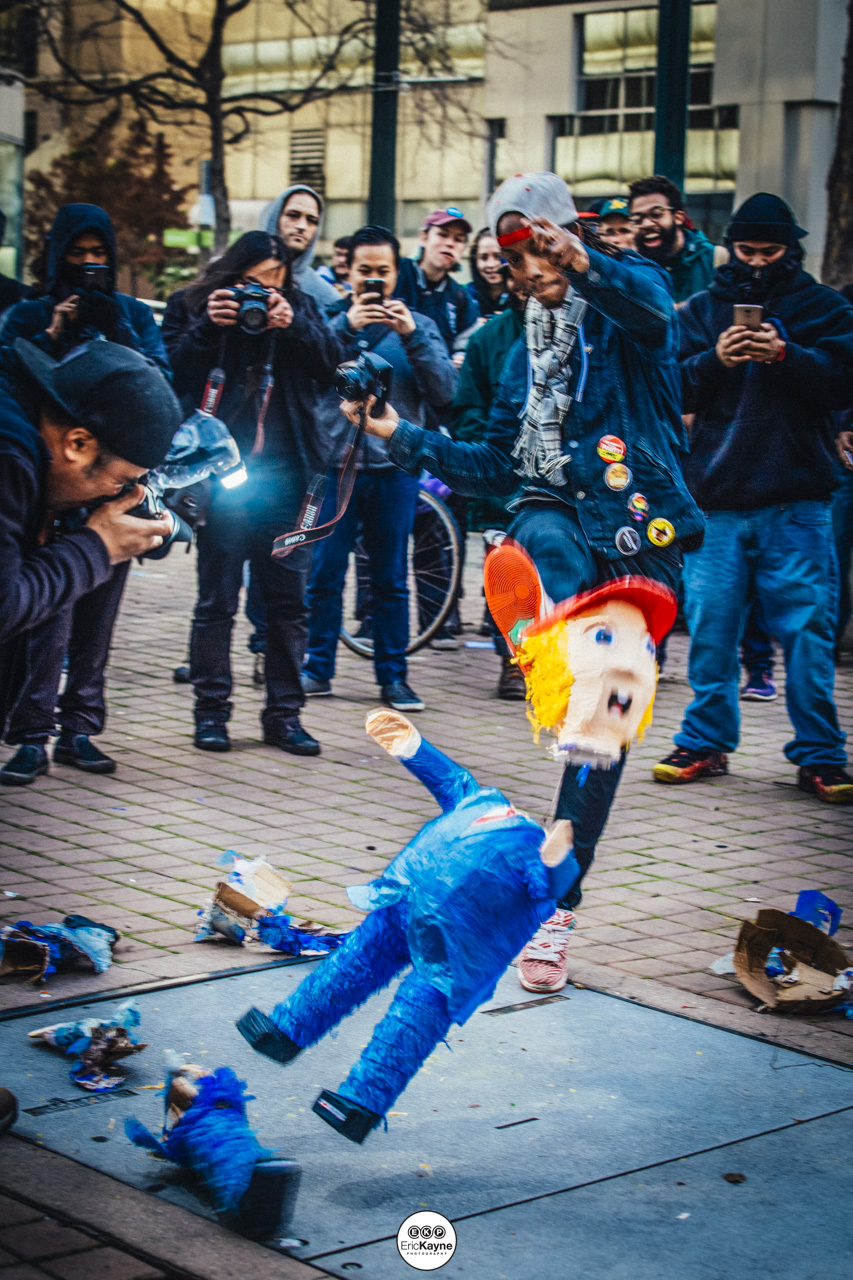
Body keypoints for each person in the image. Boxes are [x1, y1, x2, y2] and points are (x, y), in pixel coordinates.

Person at [337, 172, 703, 965]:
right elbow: (492, 465)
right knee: (539, 533)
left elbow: (653, 314)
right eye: (509, 256)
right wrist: (394, 431)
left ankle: (558, 903)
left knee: (600, 738)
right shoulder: (513, 346)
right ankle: (558, 629)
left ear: (560, 235)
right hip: (551, 520)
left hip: (638, 538)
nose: (524, 272)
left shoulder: (623, 303)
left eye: (532, 249)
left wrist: (579, 260)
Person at [654, 194, 853, 803]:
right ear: (729, 249)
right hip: (716, 500)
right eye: (747, 252)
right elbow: (671, 383)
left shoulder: (825, 308)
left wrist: (785, 354)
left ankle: (820, 755)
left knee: (807, 634)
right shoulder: (702, 311)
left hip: (798, 501)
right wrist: (716, 359)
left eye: (770, 253)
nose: (759, 264)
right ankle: (705, 742)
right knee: (711, 632)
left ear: (792, 250)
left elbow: (842, 379)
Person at [0, 204, 172, 784]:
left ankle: (79, 725)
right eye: (79, 254)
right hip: (53, 485)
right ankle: (31, 733)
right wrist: (52, 333)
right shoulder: (13, 456)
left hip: (80, 475)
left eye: (101, 255)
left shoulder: (127, 313)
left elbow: (155, 382)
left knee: (90, 612)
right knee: (45, 608)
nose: (91, 265)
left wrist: (114, 328)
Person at [162, 231, 341, 756]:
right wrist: (204, 327)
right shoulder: (194, 306)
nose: (259, 297)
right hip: (220, 482)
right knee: (217, 602)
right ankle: (210, 712)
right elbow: (168, 374)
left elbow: (335, 369)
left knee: (289, 605)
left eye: (272, 284)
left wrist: (295, 324)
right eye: (250, 284)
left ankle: (285, 717)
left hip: (287, 482)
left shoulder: (300, 310)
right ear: (231, 277)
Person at [301, 225, 457, 711]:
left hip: (394, 469)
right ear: (347, 270)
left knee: (390, 579)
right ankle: (315, 668)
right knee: (324, 573)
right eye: (364, 270)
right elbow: (307, 374)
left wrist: (411, 337)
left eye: (383, 272)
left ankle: (394, 678)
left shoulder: (420, 325)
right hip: (333, 468)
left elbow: (447, 392)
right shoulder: (326, 320)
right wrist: (345, 326)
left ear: (397, 273)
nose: (373, 281)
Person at [452, 268, 529, 698]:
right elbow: (467, 410)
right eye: (514, 273)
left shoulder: (579, 329)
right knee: (509, 578)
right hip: (505, 486)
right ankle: (513, 664)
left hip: (565, 481)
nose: (523, 284)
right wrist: (496, 450)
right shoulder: (488, 339)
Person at [394, 208, 480, 360]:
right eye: (443, 234)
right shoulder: (395, 274)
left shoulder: (461, 298)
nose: (449, 243)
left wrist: (459, 359)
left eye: (458, 240)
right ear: (424, 238)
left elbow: (466, 346)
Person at [628, 175, 727, 304]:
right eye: (637, 219)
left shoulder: (714, 259)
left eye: (656, 214)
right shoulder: (631, 267)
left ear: (679, 217)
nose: (647, 224)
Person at [260, 184, 340, 311]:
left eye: (312, 220)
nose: (302, 226)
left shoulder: (326, 297)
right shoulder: (237, 274)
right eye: (293, 215)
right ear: (275, 218)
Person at [466, 228, 508, 319]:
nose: (491, 264)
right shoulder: (465, 296)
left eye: (498, 256)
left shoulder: (522, 297)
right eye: (484, 257)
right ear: (474, 260)